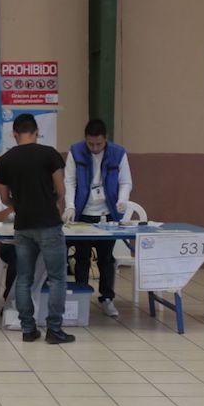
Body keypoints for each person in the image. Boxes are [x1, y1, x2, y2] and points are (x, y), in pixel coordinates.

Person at [0, 113, 74, 344]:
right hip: (48, 223)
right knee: (57, 278)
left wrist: (18, 204)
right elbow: (61, 190)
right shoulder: (49, 154)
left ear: (15, 134)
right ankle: (54, 330)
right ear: (37, 132)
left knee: (24, 278)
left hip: (23, 226)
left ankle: (28, 328)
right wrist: (49, 201)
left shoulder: (5, 160)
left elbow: (4, 197)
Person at [64, 118, 133, 319]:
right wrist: (70, 205)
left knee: (106, 259)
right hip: (83, 214)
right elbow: (69, 181)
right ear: (85, 139)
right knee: (82, 257)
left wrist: (122, 200)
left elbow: (126, 181)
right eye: (90, 143)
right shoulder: (76, 151)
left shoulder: (118, 153)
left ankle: (107, 298)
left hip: (107, 214)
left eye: (99, 144)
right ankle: (81, 294)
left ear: (106, 140)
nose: (94, 148)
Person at [0, 195, 18, 305]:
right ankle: (10, 300)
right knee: (18, 256)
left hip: (32, 243)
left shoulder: (33, 194)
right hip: (9, 244)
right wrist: (13, 207)